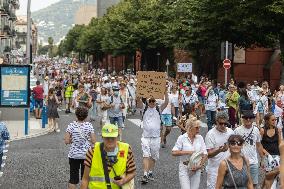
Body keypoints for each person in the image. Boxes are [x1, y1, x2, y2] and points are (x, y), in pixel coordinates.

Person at [80, 124, 136, 189]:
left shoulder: (126, 149)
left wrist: (124, 181)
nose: (110, 140)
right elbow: (85, 179)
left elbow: (132, 172)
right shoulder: (93, 151)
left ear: (117, 137)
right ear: (102, 137)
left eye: (113, 137)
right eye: (107, 137)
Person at [136, 89, 169, 184]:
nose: (151, 102)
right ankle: (145, 174)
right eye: (150, 100)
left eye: (153, 100)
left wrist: (165, 91)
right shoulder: (144, 107)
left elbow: (166, 102)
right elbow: (138, 102)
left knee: (154, 156)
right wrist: (138, 94)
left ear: (155, 101)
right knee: (146, 155)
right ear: (147, 101)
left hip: (156, 137)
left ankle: (150, 172)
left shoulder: (159, 108)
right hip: (145, 137)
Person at [64, 107, 96, 189]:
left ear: (76, 115)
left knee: (73, 179)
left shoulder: (71, 125)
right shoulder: (89, 125)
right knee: (85, 178)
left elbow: (66, 141)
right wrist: (87, 139)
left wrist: (73, 140)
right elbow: (94, 141)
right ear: (86, 116)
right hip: (86, 155)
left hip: (74, 155)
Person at [172, 117, 207, 189]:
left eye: (199, 127)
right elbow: (174, 152)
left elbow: (205, 153)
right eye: (196, 128)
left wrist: (200, 166)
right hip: (184, 168)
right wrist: (189, 152)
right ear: (190, 127)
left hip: (196, 169)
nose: (199, 130)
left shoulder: (200, 138)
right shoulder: (182, 138)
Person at [205, 111, 234, 189]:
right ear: (216, 121)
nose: (223, 125)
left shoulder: (231, 132)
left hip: (228, 169)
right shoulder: (210, 134)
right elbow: (208, 154)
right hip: (214, 170)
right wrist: (219, 150)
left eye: (225, 123)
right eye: (221, 123)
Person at [234, 111, 264, 187]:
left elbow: (258, 145)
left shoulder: (256, 130)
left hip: (253, 162)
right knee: (241, 185)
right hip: (241, 163)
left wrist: (262, 159)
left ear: (253, 119)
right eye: (246, 118)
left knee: (254, 184)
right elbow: (232, 147)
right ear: (242, 119)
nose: (248, 119)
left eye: (250, 118)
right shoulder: (237, 130)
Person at [260, 112, 282, 188]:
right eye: (272, 120)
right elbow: (259, 145)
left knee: (273, 175)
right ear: (267, 121)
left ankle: (262, 187)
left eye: (275, 120)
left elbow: (280, 143)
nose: (274, 121)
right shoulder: (262, 130)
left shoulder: (278, 130)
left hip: (276, 155)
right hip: (266, 156)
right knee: (269, 175)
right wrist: (265, 153)